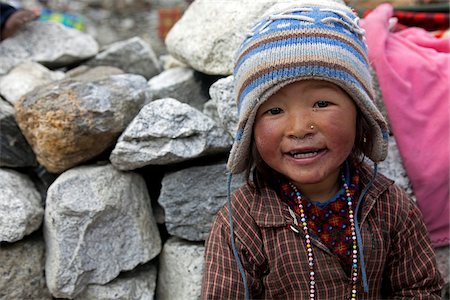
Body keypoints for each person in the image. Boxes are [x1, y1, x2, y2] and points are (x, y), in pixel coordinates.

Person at [201, 1, 444, 299]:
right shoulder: (241, 223)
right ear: (250, 129)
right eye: (275, 110)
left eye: (321, 103)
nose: (300, 127)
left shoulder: (390, 206)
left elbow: (419, 290)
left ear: (360, 113)